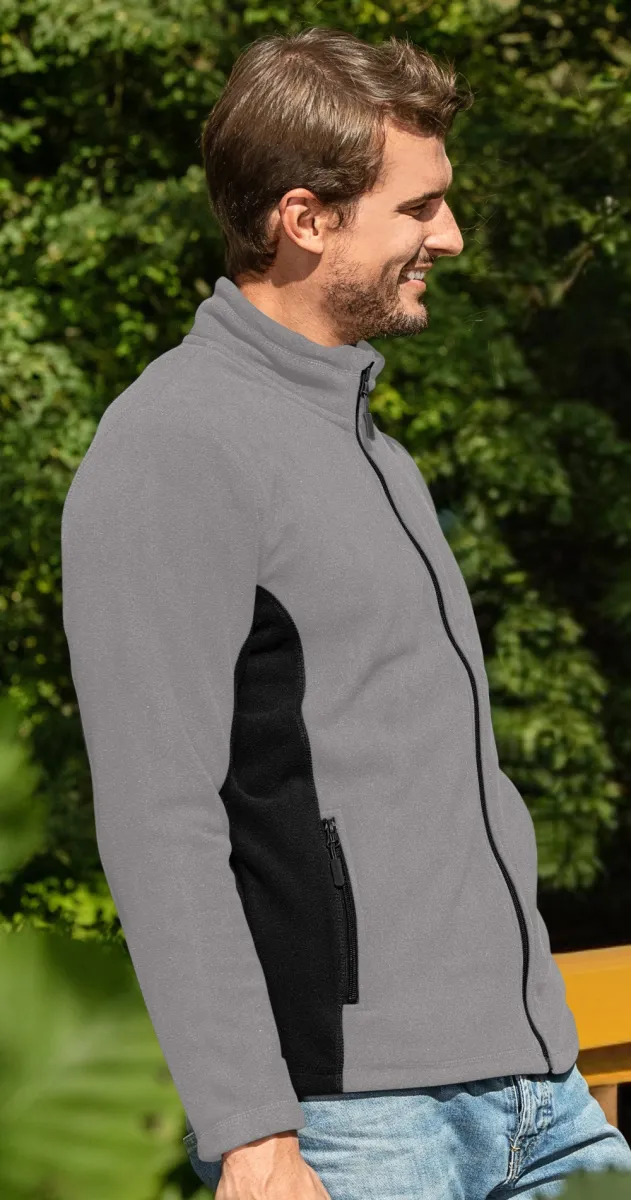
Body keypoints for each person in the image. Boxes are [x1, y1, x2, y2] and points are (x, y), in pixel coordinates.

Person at [60, 25, 631, 1200]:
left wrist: (541, 1058)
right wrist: (251, 1130)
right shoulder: (173, 444)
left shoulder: (369, 446)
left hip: (539, 1096)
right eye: (418, 207)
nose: (449, 236)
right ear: (304, 219)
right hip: (354, 1126)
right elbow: (159, 817)